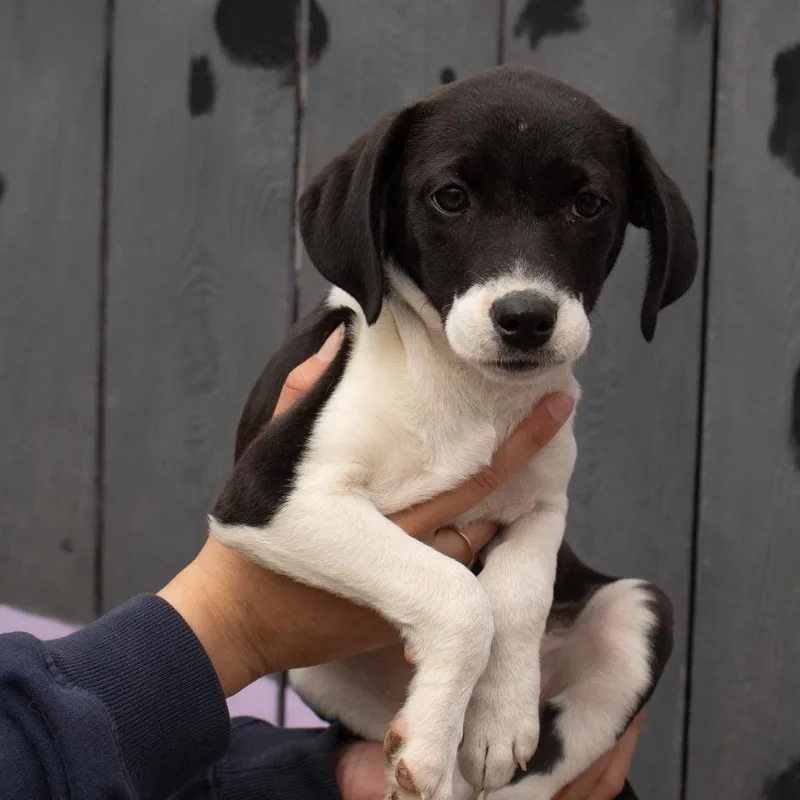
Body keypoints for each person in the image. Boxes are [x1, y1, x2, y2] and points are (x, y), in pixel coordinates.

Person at [0, 329, 643, 800]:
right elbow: (262, 513)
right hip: (364, 673)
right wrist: (232, 623)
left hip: (446, 726)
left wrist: (333, 775)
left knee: (630, 622)